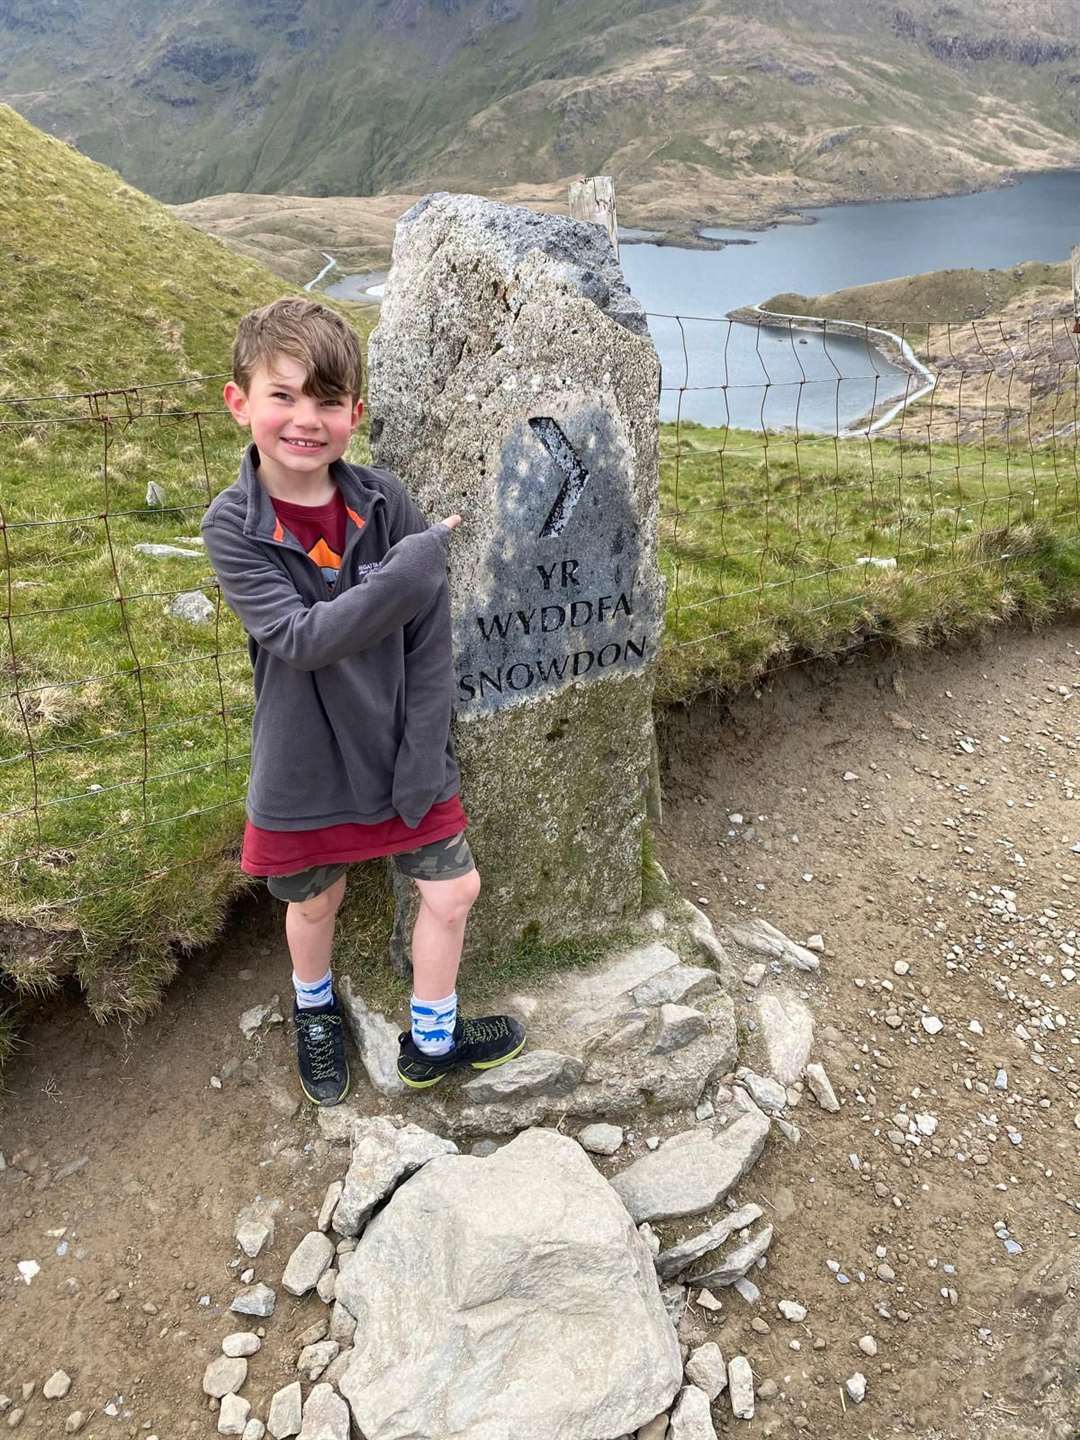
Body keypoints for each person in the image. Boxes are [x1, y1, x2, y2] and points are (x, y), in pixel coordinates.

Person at [202, 296, 526, 1105]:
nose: (305, 420)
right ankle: (315, 1010)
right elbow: (302, 638)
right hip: (304, 759)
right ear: (239, 401)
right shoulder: (233, 526)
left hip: (400, 748)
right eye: (283, 396)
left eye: (328, 401)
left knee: (453, 891)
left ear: (356, 413)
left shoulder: (385, 504)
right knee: (316, 902)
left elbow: (428, 643)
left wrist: (424, 751)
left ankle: (433, 1039)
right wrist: (408, 571)